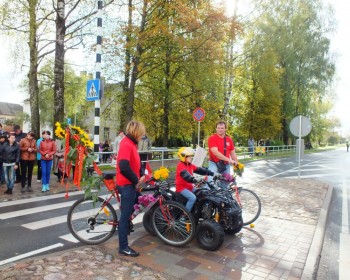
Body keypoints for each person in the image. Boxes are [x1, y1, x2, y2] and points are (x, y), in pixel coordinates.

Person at [116, 120, 147, 257]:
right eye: (141, 133)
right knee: (125, 217)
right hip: (126, 185)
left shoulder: (132, 144)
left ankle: (126, 226)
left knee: (136, 205)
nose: (142, 136)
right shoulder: (126, 144)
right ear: (136, 132)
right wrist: (136, 181)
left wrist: (141, 173)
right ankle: (123, 247)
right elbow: (123, 166)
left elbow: (136, 163)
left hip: (131, 184)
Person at [175, 147, 214, 211]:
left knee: (202, 193)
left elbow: (200, 170)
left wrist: (212, 173)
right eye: (189, 156)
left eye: (191, 156)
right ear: (183, 157)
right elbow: (187, 177)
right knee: (192, 198)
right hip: (181, 188)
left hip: (189, 187)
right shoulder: (180, 166)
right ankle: (185, 215)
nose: (191, 158)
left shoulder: (189, 165)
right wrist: (196, 179)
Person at [207, 121, 238, 189]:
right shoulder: (212, 138)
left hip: (225, 165)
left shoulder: (229, 140)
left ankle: (221, 198)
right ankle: (207, 197)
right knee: (209, 182)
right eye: (218, 128)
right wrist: (230, 160)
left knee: (225, 185)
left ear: (225, 129)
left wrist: (237, 164)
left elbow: (232, 153)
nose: (220, 129)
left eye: (222, 128)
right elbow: (216, 153)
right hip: (214, 163)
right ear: (216, 129)